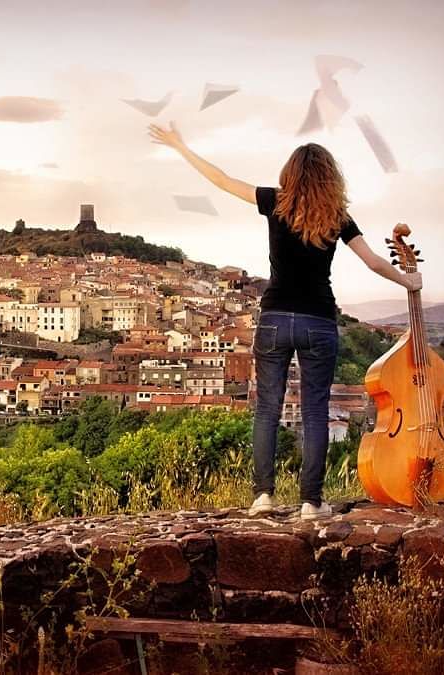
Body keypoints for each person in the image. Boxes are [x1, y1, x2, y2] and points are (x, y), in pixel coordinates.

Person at [147, 122, 421, 520]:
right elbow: (374, 261)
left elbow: (222, 180)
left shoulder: (275, 202)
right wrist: (408, 280)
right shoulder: (338, 217)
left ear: (289, 174)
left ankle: (263, 497)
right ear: (331, 178)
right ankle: (312, 502)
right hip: (318, 321)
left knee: (267, 410)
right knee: (314, 411)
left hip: (274, 318)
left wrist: (180, 145)